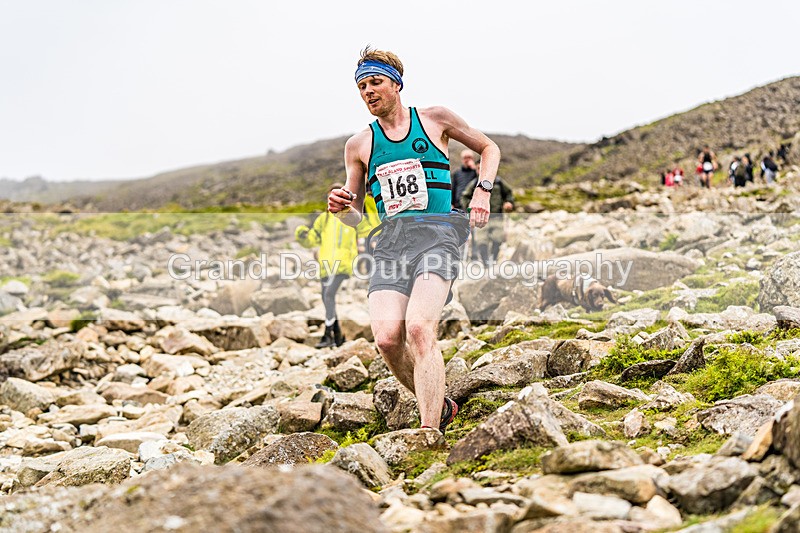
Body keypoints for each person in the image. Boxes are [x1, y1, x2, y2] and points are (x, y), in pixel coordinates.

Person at [328, 46, 500, 433]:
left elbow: (489, 148)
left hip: (438, 234)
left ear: (396, 84)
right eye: (361, 86)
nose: (368, 91)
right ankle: (440, 406)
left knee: (420, 328)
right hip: (390, 242)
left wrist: (482, 191)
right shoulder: (358, 145)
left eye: (375, 82)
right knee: (388, 340)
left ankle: (428, 433)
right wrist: (341, 208)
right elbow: (354, 217)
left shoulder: (435, 119)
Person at [296, 183, 376, 348]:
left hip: (343, 264)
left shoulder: (351, 216)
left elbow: (367, 230)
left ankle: (327, 335)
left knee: (328, 295)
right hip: (325, 265)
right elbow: (313, 239)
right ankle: (338, 336)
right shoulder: (323, 218)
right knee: (327, 298)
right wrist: (302, 235)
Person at [461, 162, 514, 265]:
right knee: (481, 241)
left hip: (497, 216)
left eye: (483, 167)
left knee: (498, 239)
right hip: (480, 217)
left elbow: (508, 193)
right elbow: (464, 197)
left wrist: (509, 202)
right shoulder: (474, 183)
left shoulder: (498, 182)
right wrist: (470, 207)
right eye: (478, 168)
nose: (480, 170)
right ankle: (486, 263)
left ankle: (493, 260)